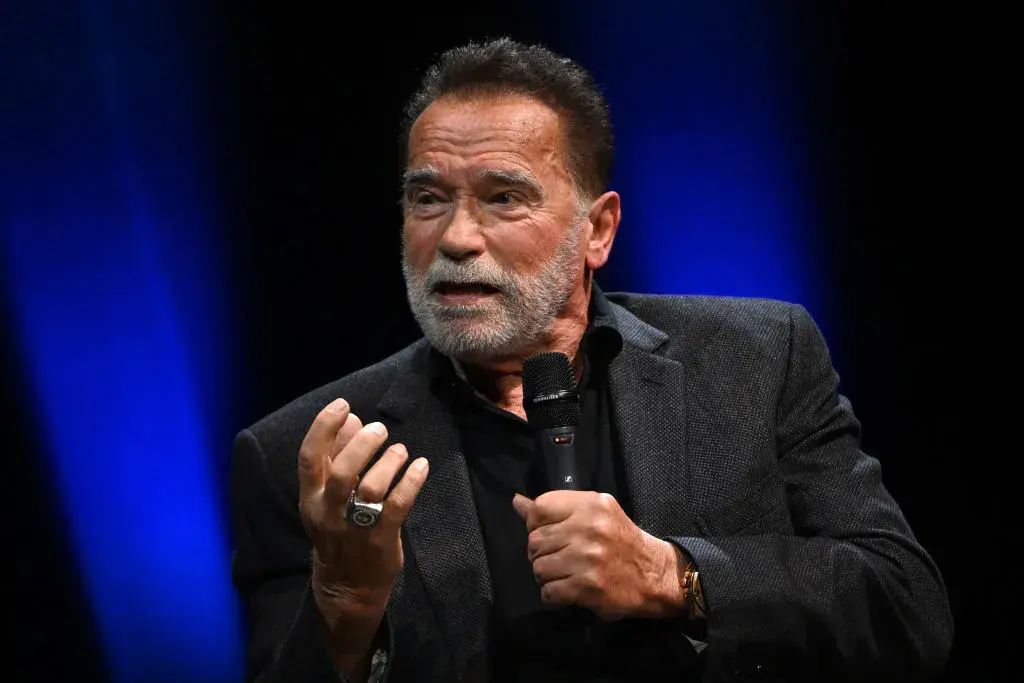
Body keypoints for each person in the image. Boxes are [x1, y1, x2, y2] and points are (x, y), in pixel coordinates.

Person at [230, 38, 952, 683]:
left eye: (503, 197)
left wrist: (675, 573)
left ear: (597, 230)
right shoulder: (310, 455)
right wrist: (345, 605)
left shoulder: (757, 361)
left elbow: (905, 608)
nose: (455, 237)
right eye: (428, 199)